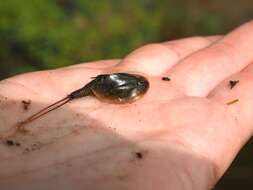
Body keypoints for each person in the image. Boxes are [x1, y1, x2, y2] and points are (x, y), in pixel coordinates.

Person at [0, 20, 253, 190]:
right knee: (74, 96)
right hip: (105, 85)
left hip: (113, 84)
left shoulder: (131, 85)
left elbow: (130, 89)